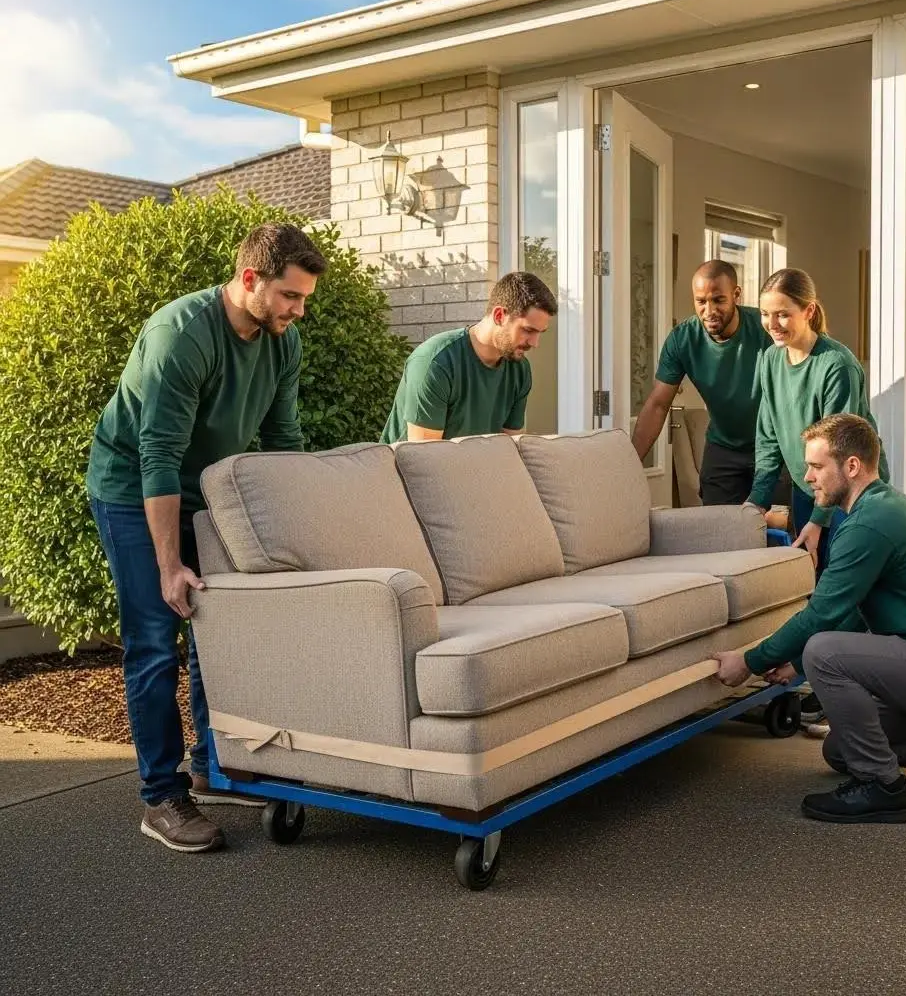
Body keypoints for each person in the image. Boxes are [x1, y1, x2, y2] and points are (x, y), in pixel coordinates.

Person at [87, 223, 326, 853]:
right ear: (250, 280)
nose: (298, 311)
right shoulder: (180, 335)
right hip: (133, 490)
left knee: (218, 629)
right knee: (155, 639)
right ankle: (161, 796)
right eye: (290, 296)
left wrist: (295, 543)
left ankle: (212, 765)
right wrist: (170, 564)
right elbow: (157, 455)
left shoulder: (282, 341)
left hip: (204, 492)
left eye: (303, 299)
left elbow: (283, 443)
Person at [714, 413, 906, 823]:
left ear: (852, 466)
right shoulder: (877, 510)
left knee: (823, 649)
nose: (808, 477)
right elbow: (854, 613)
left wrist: (749, 661)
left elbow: (822, 615)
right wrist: (797, 664)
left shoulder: (870, 524)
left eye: (817, 466)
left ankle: (884, 788)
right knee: (841, 750)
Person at [745, 268, 889, 576]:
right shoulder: (770, 360)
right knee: (812, 578)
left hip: (850, 491)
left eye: (782, 314)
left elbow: (838, 450)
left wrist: (819, 519)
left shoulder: (836, 365)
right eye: (764, 314)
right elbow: (768, 436)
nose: (772, 325)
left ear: (808, 310)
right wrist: (757, 500)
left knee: (846, 580)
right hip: (808, 486)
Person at [631, 260, 773, 505]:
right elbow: (657, 404)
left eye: (718, 300)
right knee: (715, 530)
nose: (709, 311)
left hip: (772, 446)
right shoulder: (682, 339)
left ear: (736, 294)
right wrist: (630, 465)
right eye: (701, 301)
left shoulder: (765, 331)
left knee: (779, 530)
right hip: (723, 448)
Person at [379, 271, 556, 444]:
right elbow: (424, 460)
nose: (535, 343)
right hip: (405, 471)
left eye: (540, 333)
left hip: (472, 468)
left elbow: (511, 447)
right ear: (499, 316)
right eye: (528, 330)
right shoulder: (436, 363)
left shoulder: (519, 369)